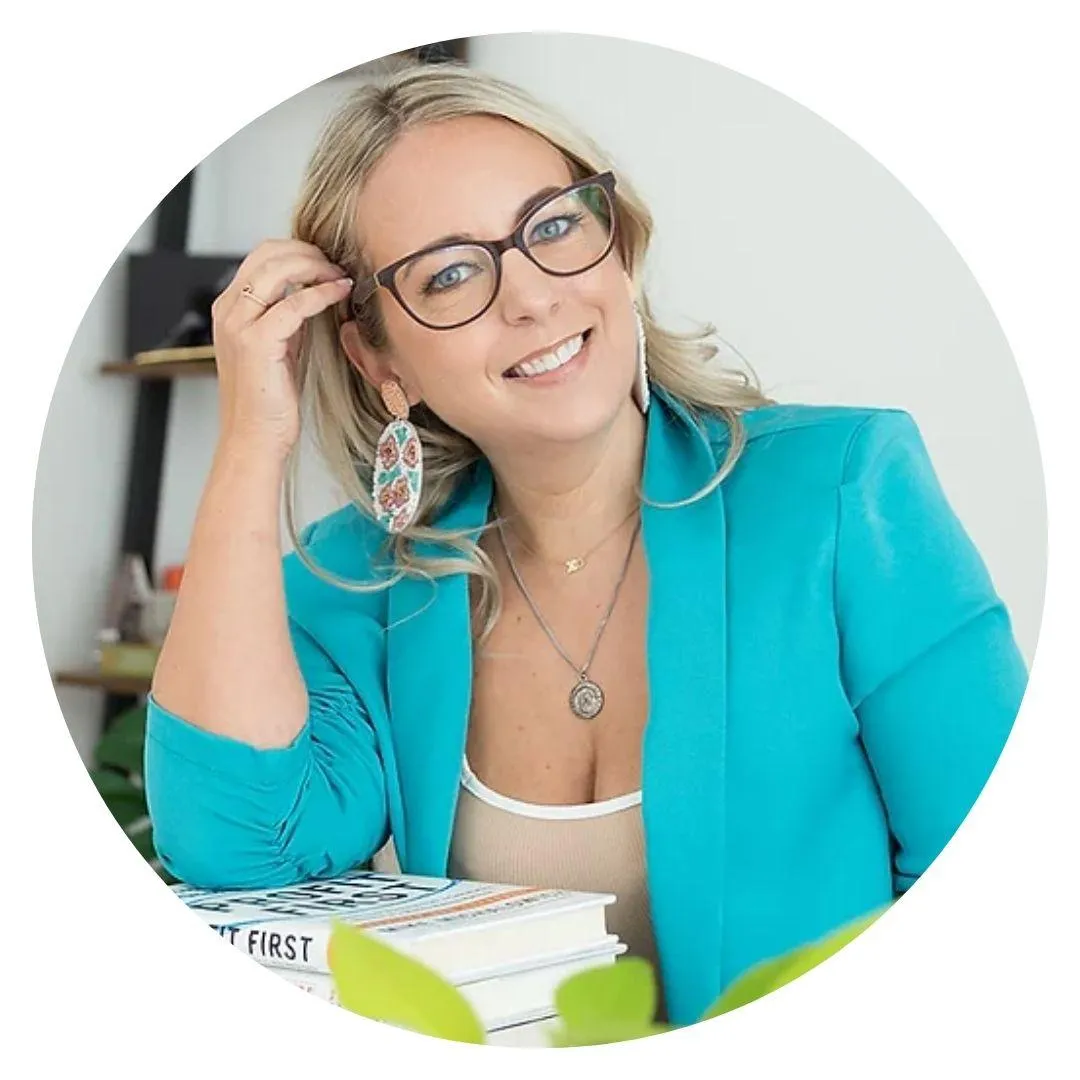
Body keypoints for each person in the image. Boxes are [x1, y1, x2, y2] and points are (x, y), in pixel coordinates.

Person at [144, 60, 1029, 1030]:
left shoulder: (843, 491)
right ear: (379, 357)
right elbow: (241, 853)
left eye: (554, 227)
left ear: (619, 247)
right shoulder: (358, 579)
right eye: (450, 274)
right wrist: (251, 442)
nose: (531, 298)